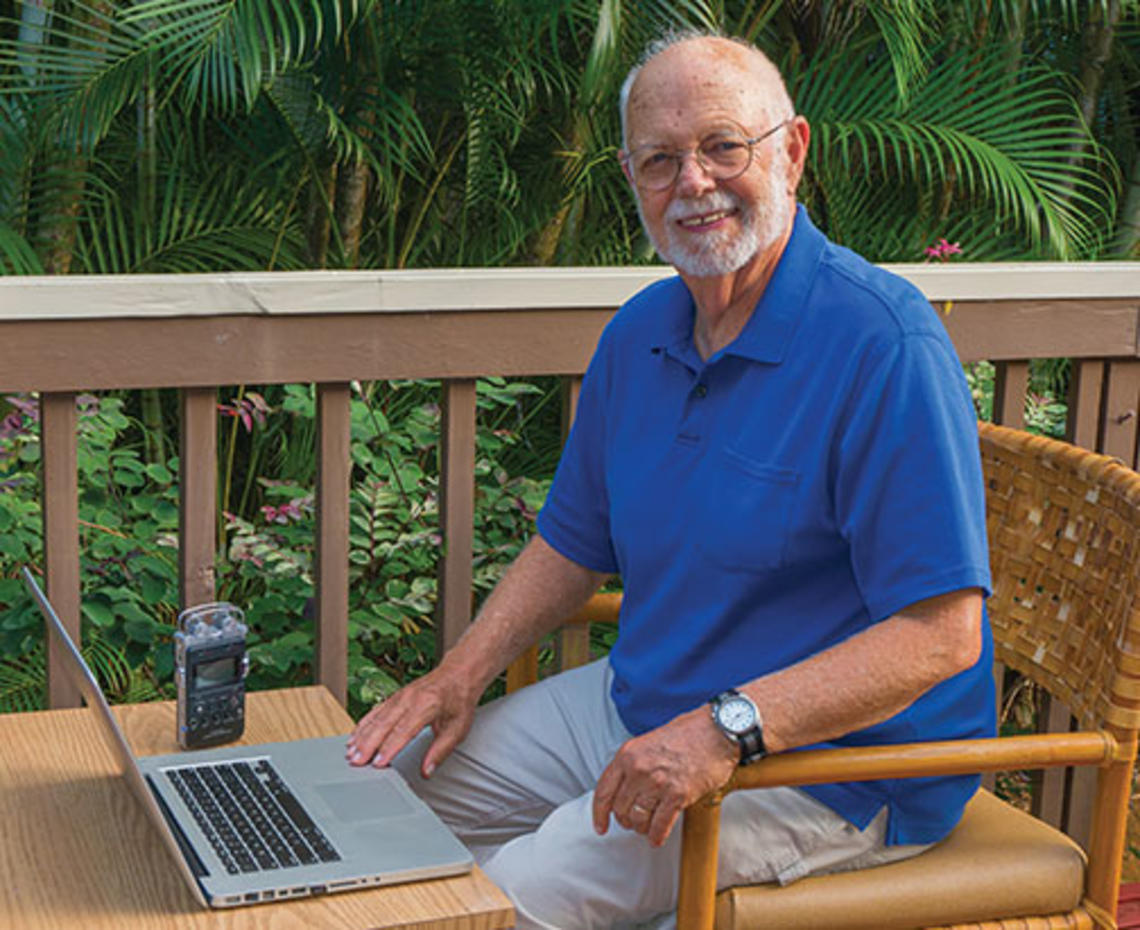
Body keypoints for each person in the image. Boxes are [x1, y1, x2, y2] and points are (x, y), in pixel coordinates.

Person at [347, 30, 994, 930]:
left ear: (793, 152)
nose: (693, 182)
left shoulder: (883, 343)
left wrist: (724, 726)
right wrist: (457, 676)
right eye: (660, 159)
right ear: (632, 177)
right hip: (641, 700)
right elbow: (572, 546)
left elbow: (941, 635)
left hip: (836, 767)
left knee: (507, 900)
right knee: (368, 809)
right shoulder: (640, 332)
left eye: (724, 146)